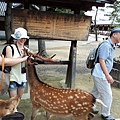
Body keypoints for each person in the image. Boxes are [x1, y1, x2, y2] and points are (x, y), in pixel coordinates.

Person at [91, 27, 120, 120]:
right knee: (107, 94)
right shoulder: (106, 45)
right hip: (101, 74)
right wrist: (107, 75)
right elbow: (102, 60)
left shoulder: (110, 45)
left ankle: (89, 107)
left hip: (99, 73)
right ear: (114, 34)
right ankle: (105, 114)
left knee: (95, 92)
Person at [5, 27, 32, 111]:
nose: (23, 40)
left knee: (18, 99)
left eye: (24, 38)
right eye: (21, 38)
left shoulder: (26, 49)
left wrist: (30, 55)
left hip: (23, 78)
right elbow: (8, 62)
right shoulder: (10, 48)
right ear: (16, 38)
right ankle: (13, 113)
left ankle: (14, 112)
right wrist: (23, 58)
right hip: (12, 77)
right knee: (13, 100)